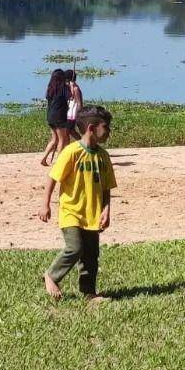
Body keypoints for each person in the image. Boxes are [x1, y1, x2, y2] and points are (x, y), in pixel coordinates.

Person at [38, 105, 116, 303]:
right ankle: (51, 276)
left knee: (91, 255)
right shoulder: (71, 152)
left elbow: (106, 187)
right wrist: (45, 204)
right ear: (91, 128)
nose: (109, 132)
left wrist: (106, 210)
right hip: (71, 211)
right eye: (105, 127)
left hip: (92, 214)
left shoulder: (103, 156)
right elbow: (52, 178)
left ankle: (89, 293)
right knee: (74, 248)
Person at [40, 69, 70, 167]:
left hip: (50, 116)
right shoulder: (64, 88)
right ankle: (59, 162)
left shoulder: (50, 88)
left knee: (54, 139)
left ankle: (44, 158)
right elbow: (70, 96)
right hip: (60, 116)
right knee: (62, 139)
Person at [65, 68, 82, 133]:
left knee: (69, 131)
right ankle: (80, 142)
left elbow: (79, 103)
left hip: (73, 114)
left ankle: (81, 142)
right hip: (69, 113)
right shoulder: (70, 88)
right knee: (70, 131)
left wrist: (78, 114)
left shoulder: (76, 89)